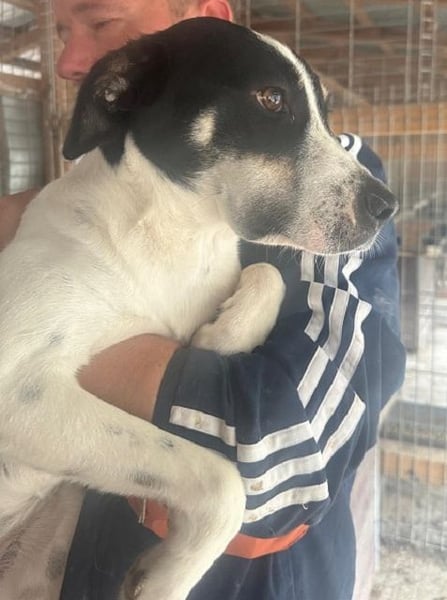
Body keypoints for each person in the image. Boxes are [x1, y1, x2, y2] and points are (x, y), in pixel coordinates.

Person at [0, 1, 406, 599]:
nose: (68, 61)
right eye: (62, 33)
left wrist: (258, 292)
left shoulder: (248, 223)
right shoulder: (89, 207)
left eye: (102, 22)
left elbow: (291, 456)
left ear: (209, 13)